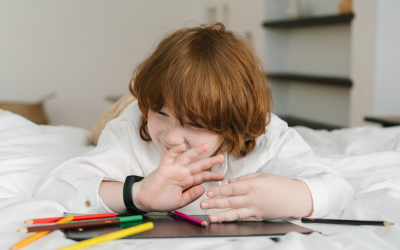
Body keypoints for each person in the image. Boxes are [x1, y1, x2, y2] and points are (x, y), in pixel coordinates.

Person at [34, 23, 353, 222]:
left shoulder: (268, 134)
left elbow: (338, 188)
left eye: (195, 123)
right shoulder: (135, 127)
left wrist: (294, 197)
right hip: (125, 109)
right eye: (162, 113)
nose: (172, 138)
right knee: (111, 120)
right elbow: (56, 186)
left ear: (233, 125)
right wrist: (138, 194)